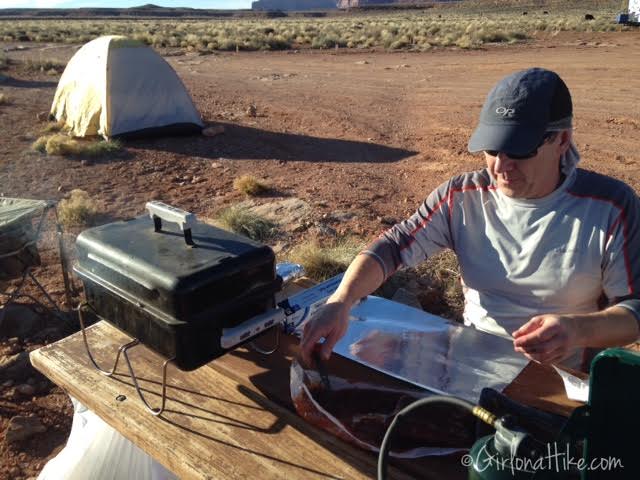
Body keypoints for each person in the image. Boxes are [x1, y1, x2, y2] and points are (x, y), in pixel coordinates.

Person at [300, 67, 640, 371]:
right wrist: (340, 302)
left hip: (561, 381)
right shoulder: (461, 197)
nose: (501, 165)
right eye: (492, 149)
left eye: (520, 150)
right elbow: (393, 247)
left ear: (562, 139)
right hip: (470, 365)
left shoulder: (610, 207)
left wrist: (576, 331)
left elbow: (634, 311)